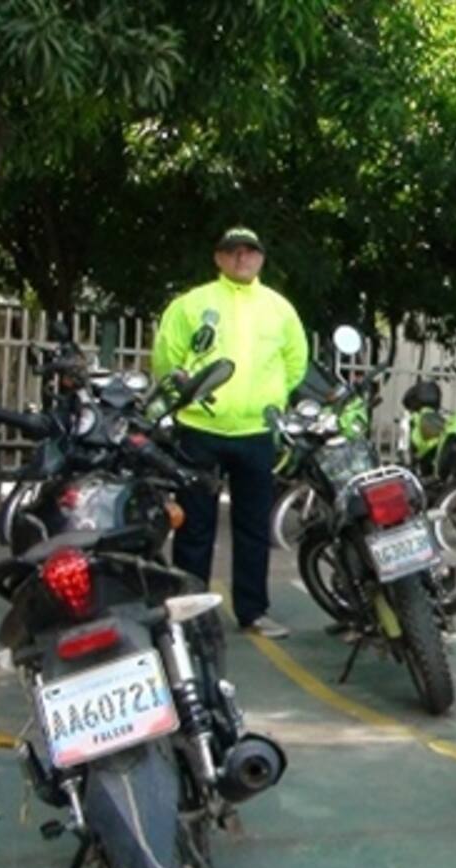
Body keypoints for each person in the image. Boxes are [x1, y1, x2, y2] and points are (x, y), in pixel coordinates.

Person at [153, 227, 308, 639]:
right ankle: (189, 612)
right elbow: (167, 359)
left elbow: (295, 364)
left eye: (250, 252)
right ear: (218, 258)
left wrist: (267, 398)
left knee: (253, 525)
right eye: (233, 252)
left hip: (256, 431)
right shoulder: (193, 304)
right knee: (194, 525)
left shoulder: (279, 309)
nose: (242, 258)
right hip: (199, 428)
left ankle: (253, 612)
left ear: (261, 259)